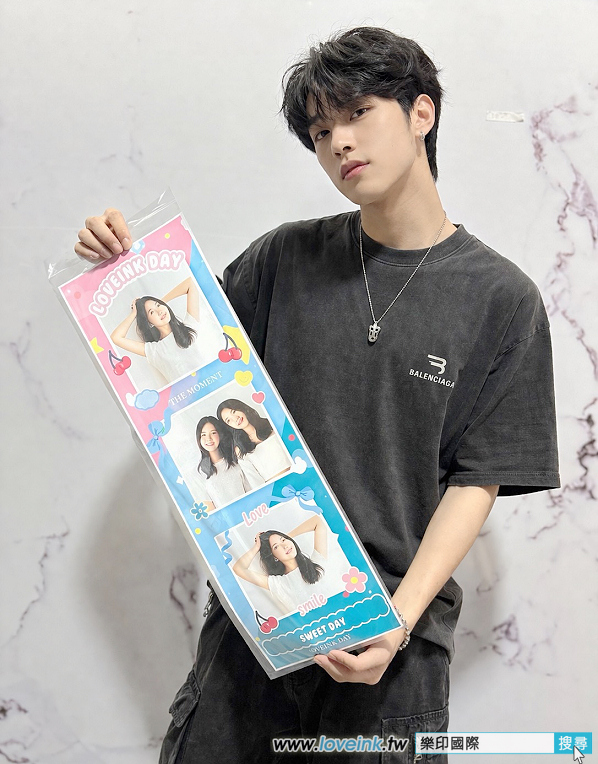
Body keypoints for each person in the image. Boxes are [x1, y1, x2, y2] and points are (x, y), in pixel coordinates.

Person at [74, 25, 560, 764]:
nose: (339, 144)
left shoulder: (502, 298)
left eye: (358, 113)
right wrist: (124, 263)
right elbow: (183, 364)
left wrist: (397, 621)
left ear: (421, 112)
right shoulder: (285, 258)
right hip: (256, 633)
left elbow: (477, 480)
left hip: (390, 649)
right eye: (321, 131)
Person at [109, 276, 221, 384]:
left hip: (218, 379)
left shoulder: (190, 325)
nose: (159, 311)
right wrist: (134, 313)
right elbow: (116, 338)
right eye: (151, 312)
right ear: (149, 322)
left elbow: (191, 283)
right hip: (192, 394)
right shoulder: (154, 350)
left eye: (158, 305)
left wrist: (161, 302)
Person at [232, 513, 327, 613]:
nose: (285, 546)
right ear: (274, 557)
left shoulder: (316, 563)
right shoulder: (279, 584)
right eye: (276, 547)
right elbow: (239, 569)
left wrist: (287, 537)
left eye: (284, 540)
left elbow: (318, 521)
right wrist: (257, 547)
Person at [195, 415, 265, 509]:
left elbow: (256, 488)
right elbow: (208, 511)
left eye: (213, 433)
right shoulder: (200, 473)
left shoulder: (236, 462)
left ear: (220, 434)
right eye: (203, 434)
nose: (208, 438)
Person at [216, 398, 292, 482]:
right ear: (229, 426)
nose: (235, 418)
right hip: (276, 486)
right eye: (229, 420)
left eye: (233, 412)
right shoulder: (240, 449)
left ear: (241, 408)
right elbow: (254, 480)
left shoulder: (271, 424)